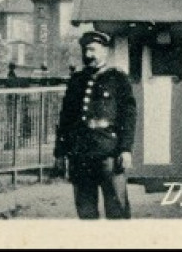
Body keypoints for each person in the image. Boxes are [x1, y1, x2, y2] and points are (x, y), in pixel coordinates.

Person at [54, 30, 136, 220]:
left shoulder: (118, 79)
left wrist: (125, 149)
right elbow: (65, 119)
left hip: (109, 154)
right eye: (85, 50)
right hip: (80, 156)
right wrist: (60, 152)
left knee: (117, 210)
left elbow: (128, 117)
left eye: (92, 50)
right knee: (85, 210)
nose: (87, 55)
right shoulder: (76, 81)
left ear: (105, 51)